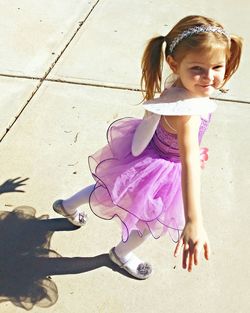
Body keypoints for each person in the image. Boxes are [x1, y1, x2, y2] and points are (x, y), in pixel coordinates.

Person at [52, 15, 242, 279]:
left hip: (148, 147)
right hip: (163, 168)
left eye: (217, 67)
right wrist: (193, 221)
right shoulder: (189, 114)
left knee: (108, 188)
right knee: (148, 220)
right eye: (198, 68)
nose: (209, 77)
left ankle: (67, 206)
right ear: (174, 63)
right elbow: (188, 164)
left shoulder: (178, 82)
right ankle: (122, 254)